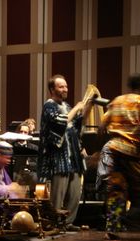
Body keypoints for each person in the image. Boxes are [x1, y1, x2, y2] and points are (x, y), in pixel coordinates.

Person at [97, 73, 140, 239]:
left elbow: (101, 127)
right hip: (134, 154)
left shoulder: (117, 101)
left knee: (116, 190)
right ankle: (133, 221)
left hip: (115, 153)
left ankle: (113, 227)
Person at [37, 74, 93, 232]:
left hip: (72, 157)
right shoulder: (49, 106)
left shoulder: (68, 106)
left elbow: (77, 124)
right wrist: (77, 108)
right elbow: (61, 121)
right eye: (61, 86)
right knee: (58, 195)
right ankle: (55, 223)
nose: (65, 89)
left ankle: (67, 222)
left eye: (66, 86)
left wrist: (88, 105)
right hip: (58, 158)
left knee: (75, 193)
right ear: (52, 89)